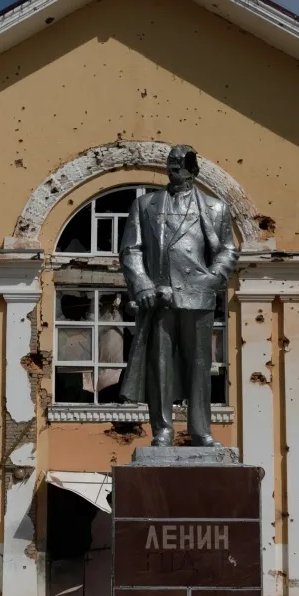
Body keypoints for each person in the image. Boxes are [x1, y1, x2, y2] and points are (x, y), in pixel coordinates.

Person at [118, 145, 238, 447]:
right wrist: (142, 285)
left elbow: (227, 249)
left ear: (193, 169)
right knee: (160, 366)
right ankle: (163, 429)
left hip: (198, 294)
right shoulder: (145, 205)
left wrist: (214, 277)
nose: (173, 169)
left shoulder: (215, 208)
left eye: (180, 164)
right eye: (170, 163)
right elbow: (131, 249)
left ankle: (200, 429)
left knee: (200, 366)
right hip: (160, 296)